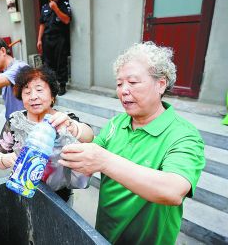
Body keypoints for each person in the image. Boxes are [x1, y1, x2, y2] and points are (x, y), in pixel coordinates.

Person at [59, 42, 205, 244]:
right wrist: (72, 130)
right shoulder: (117, 123)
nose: (123, 91)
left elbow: (173, 191)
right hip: (104, 234)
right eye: (119, 84)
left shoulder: (183, 135)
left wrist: (104, 161)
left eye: (133, 82)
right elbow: (93, 148)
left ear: (161, 84)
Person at [0, 66, 93, 202]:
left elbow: (89, 135)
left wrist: (72, 126)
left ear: (52, 96)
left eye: (39, 90)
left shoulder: (62, 119)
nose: (33, 97)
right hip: (24, 190)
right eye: (27, 92)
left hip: (60, 195)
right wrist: (6, 159)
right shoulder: (16, 122)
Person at [37, 0, 72, 96]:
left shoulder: (64, 5)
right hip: (47, 39)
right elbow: (42, 24)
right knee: (48, 63)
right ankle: (51, 85)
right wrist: (39, 39)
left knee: (60, 62)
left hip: (59, 38)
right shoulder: (44, 7)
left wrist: (56, 9)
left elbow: (67, 20)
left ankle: (62, 85)